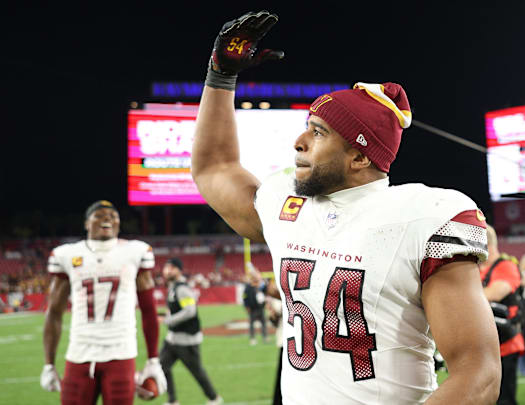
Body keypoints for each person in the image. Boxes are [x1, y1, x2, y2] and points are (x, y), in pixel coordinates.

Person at [191, 11, 501, 404]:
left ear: (358, 157)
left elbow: (479, 374)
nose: (299, 141)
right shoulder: (289, 206)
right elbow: (214, 167)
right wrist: (220, 77)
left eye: (318, 132)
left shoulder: (425, 216)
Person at [41, 200, 167, 404]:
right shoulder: (67, 254)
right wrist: (48, 364)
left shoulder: (134, 252)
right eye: (99, 215)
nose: (107, 218)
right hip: (79, 353)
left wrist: (153, 360)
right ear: (86, 223)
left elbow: (148, 309)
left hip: (121, 353)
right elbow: (54, 312)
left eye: (112, 215)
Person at [159, 257, 223, 405]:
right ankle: (172, 400)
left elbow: (190, 311)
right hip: (172, 338)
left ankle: (214, 398)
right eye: (166, 267)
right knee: (161, 367)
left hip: (186, 340)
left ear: (178, 270)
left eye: (171, 267)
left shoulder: (182, 288)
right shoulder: (173, 287)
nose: (167, 270)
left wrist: (169, 320)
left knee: (197, 372)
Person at [479, 226, 525, 404]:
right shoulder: (480, 269)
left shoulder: (506, 266)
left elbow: (496, 293)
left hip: (506, 344)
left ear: (488, 245)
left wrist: (464, 296)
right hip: (487, 346)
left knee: (504, 399)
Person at [242, 264, 268, 345]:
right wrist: (247, 306)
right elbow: (245, 297)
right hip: (252, 308)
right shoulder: (248, 286)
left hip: (260, 307)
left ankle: (265, 337)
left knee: (263, 323)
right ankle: (252, 338)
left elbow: (266, 291)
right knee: (252, 324)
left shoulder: (261, 285)